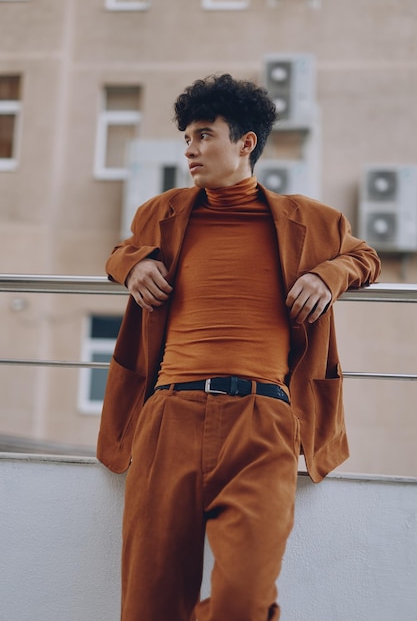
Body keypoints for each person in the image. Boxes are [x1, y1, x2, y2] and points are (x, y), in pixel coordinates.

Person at [97, 73, 381, 621]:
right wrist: (130, 267)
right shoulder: (163, 212)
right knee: (149, 604)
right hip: (167, 417)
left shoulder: (312, 221)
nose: (190, 150)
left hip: (264, 420)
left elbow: (366, 257)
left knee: (243, 600)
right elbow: (120, 250)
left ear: (246, 142)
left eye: (204, 135)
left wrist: (331, 274)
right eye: (187, 138)